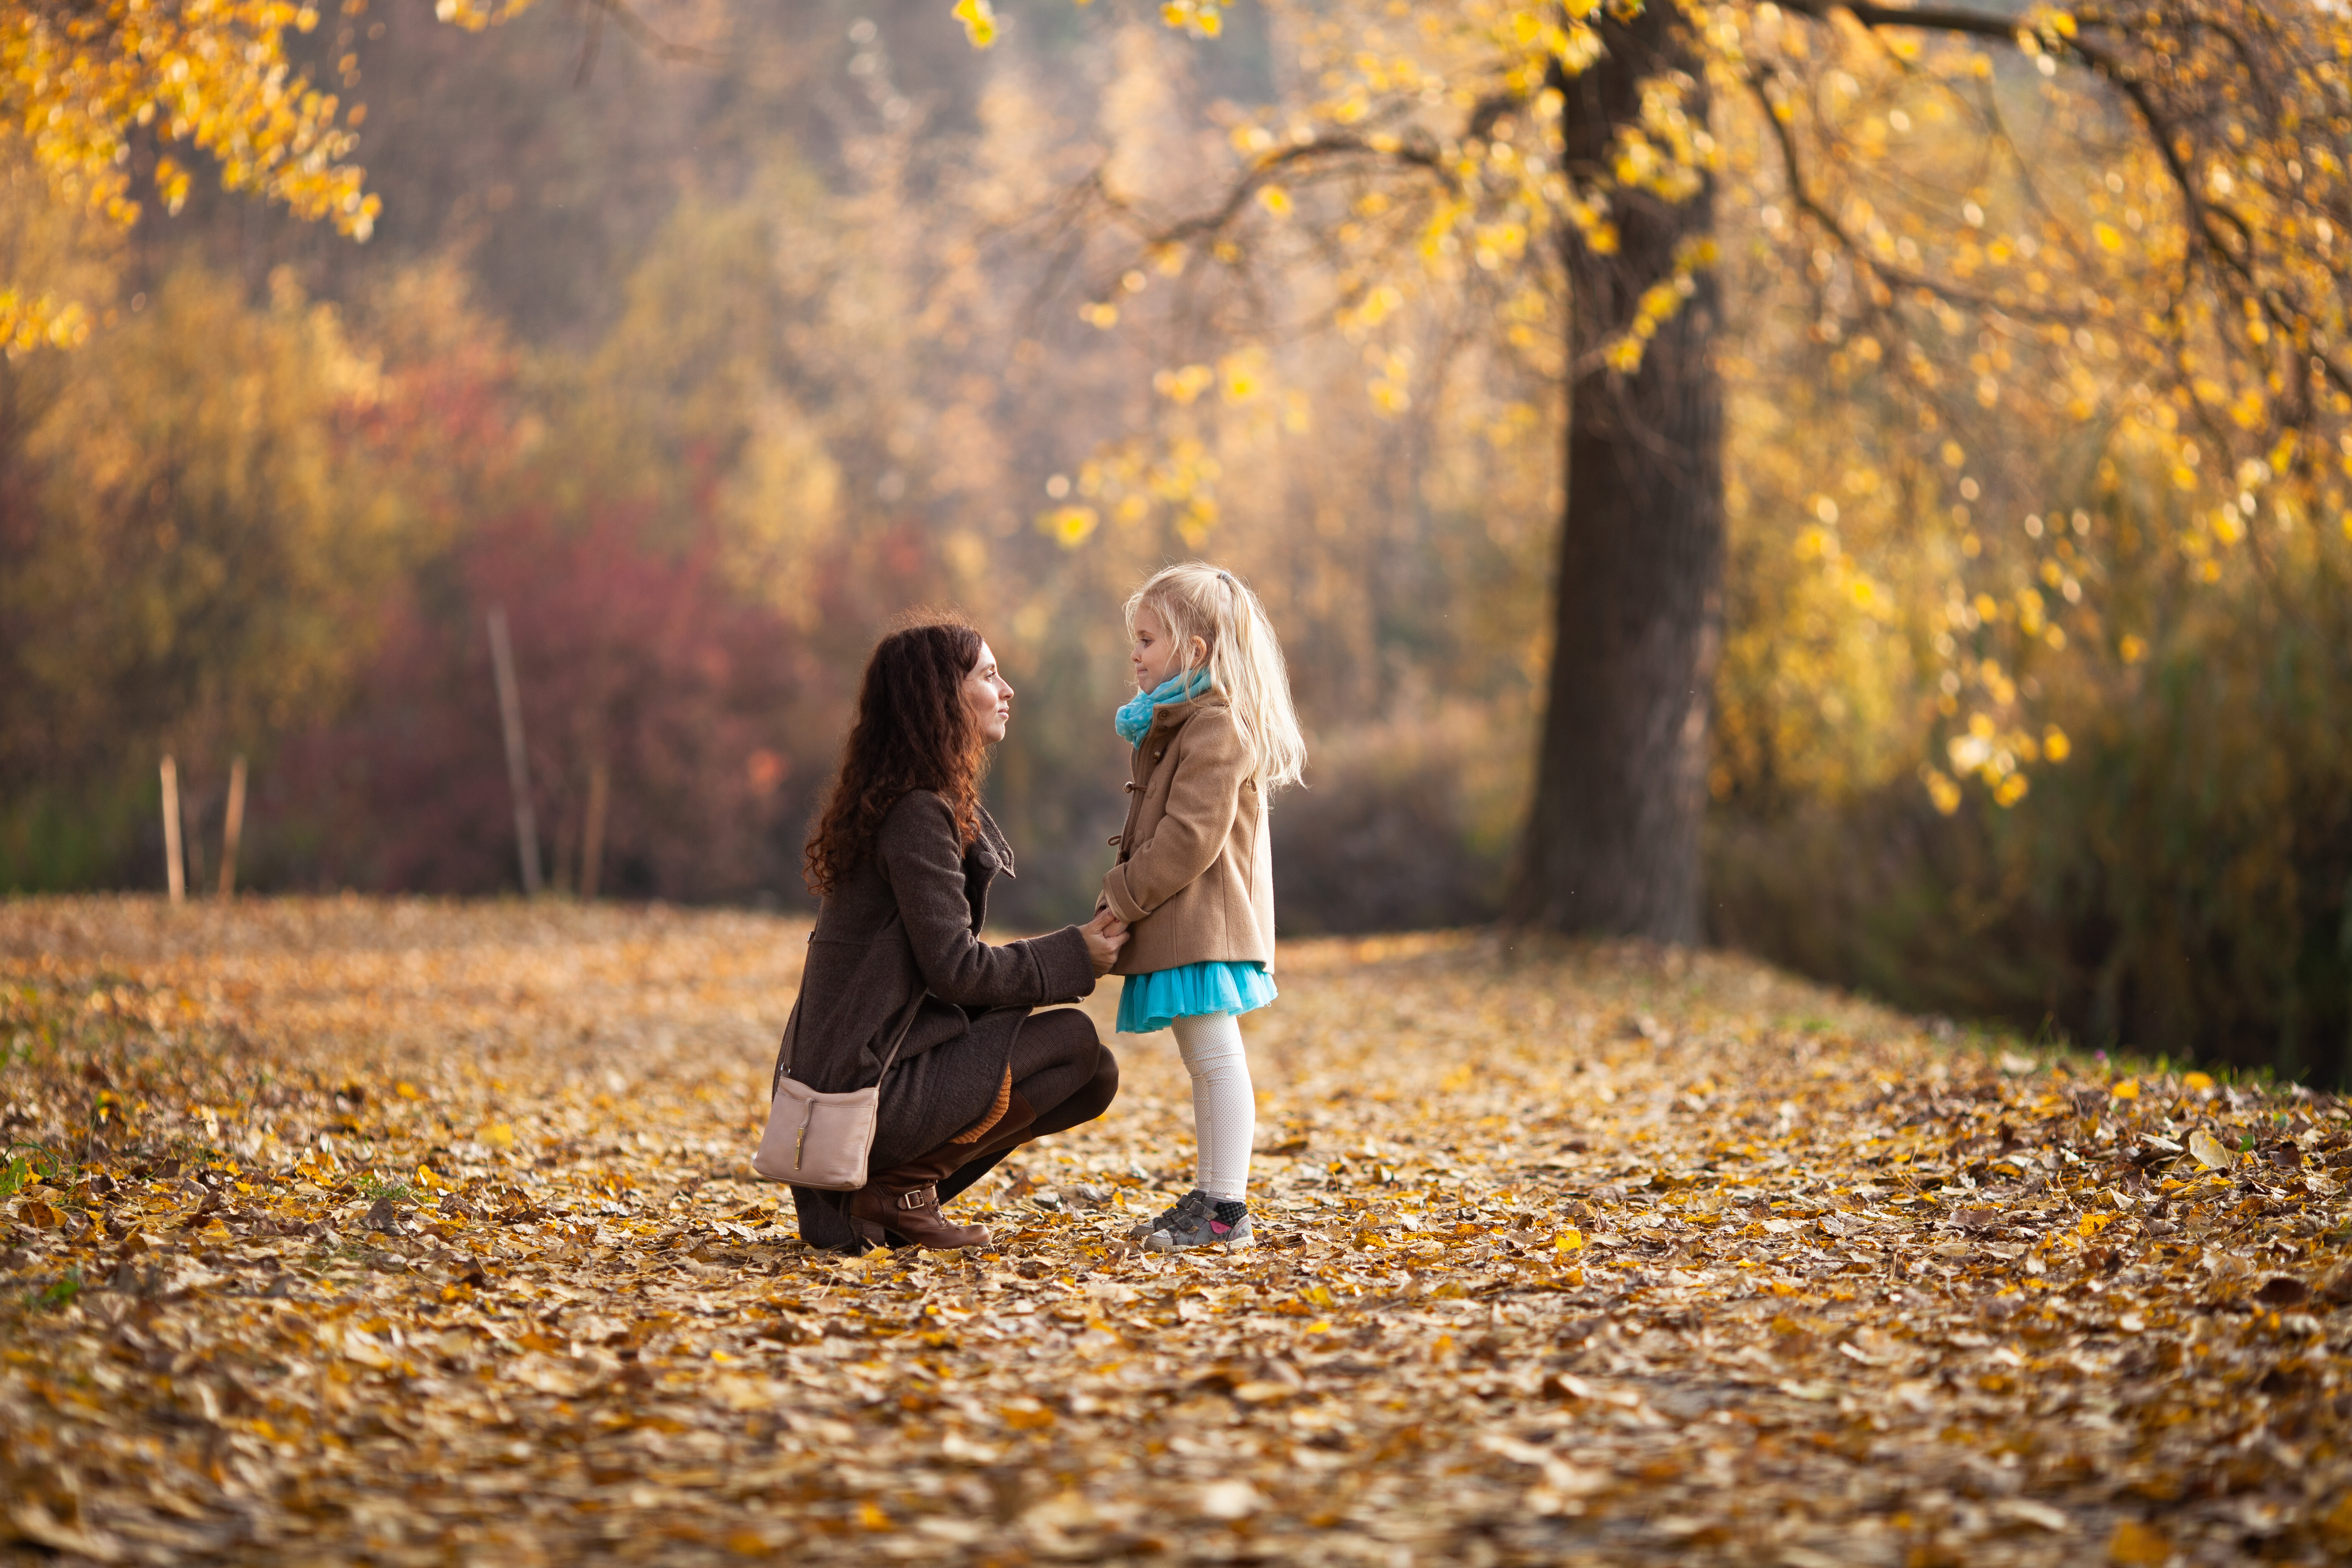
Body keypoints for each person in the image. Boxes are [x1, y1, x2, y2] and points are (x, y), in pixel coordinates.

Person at [780, 615, 1128, 1252]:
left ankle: (898, 1194)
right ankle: (893, 1191)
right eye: (990, 676)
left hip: (861, 1092)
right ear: (942, 698)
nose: (1008, 689)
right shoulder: (915, 814)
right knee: (1073, 1041)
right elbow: (957, 971)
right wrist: (1074, 953)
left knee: (1093, 1073)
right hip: (863, 1100)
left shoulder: (905, 803)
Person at [1098, 564, 1306, 1253]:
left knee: (1217, 1061)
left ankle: (1226, 1211)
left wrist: (1122, 894)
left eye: (1149, 639)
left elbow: (1189, 839)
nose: (1136, 652)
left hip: (1204, 927)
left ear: (1195, 651)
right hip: (1185, 924)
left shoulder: (1216, 728)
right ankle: (1214, 1192)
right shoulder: (1180, 724)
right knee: (1205, 1061)